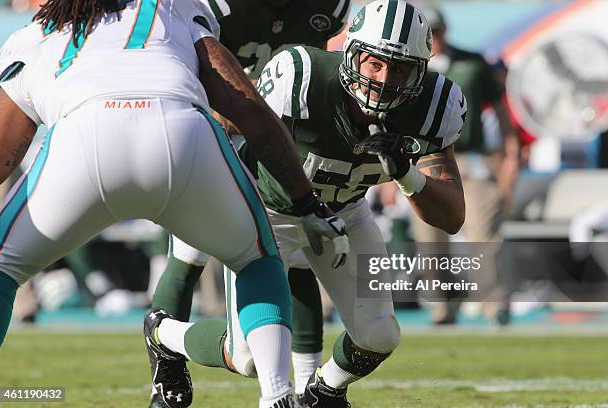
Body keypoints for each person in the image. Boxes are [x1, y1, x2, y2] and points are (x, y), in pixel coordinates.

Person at [0, 2, 349, 408]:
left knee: (2, 269)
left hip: (82, 142)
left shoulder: (31, 37)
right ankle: (277, 395)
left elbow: (1, 154)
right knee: (257, 259)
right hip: (181, 135)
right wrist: (305, 201)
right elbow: (244, 104)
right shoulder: (172, 6)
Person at [148, 1, 467, 406]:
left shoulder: (434, 106)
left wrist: (407, 172)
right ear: (350, 53)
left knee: (380, 336)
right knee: (246, 359)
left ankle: (323, 391)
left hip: (345, 212)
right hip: (265, 212)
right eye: (374, 63)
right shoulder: (300, 75)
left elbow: (453, 215)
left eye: (400, 68)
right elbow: (247, 135)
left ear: (421, 72)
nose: (385, 79)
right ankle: (163, 333)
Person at [148, 2, 352, 405]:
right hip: (213, 127)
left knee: (295, 247)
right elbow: (179, 65)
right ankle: (164, 365)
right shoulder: (214, 6)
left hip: (279, 136)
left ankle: (307, 384)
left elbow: (313, 69)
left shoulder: (328, 6)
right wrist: (240, 112)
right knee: (190, 252)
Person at [407, 5, 520, 324]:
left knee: (485, 234)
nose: (437, 36)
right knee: (430, 238)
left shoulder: (472, 63)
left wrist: (511, 154)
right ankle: (442, 305)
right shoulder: (409, 67)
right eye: (431, 31)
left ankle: (495, 303)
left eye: (439, 29)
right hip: (425, 160)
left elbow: (500, 110)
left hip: (472, 158)